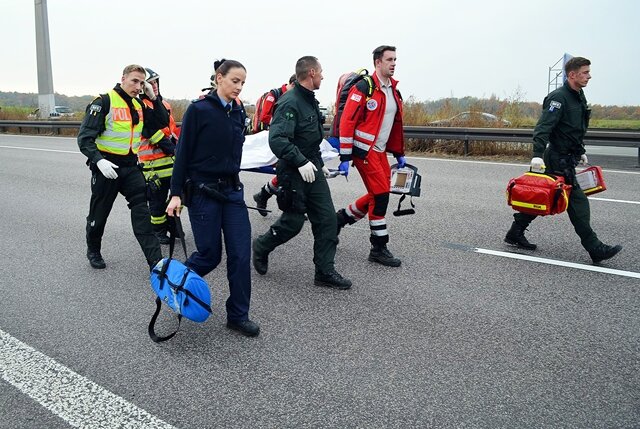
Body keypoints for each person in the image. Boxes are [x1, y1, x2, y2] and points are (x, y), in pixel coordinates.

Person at [165, 59, 259, 337]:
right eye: (235, 81)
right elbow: (182, 154)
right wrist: (176, 193)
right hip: (204, 192)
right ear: (219, 78)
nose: (239, 87)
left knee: (241, 255)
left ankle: (238, 315)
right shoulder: (199, 109)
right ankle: (173, 283)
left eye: (243, 83)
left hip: (231, 192)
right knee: (209, 255)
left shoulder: (238, 112)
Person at [504, 56, 622, 264]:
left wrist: (580, 150)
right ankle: (595, 248)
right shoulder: (558, 98)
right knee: (577, 202)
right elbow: (543, 128)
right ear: (572, 75)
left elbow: (574, 128)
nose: (589, 76)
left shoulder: (579, 96)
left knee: (546, 196)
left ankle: (515, 232)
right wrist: (537, 155)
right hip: (556, 158)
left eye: (588, 72)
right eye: (585, 72)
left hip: (568, 157)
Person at [252, 56, 352, 290]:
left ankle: (324, 271)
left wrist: (319, 164)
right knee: (294, 222)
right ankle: (262, 246)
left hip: (312, 168)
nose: (323, 76)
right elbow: (277, 140)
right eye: (321, 71)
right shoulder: (290, 102)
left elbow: (311, 140)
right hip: (293, 171)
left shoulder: (310, 101)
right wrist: (300, 161)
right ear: (310, 73)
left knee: (326, 219)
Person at [78, 64, 168, 270]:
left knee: (142, 213)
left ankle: (155, 261)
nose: (138, 86)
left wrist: (154, 98)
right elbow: (84, 139)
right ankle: (93, 250)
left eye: (141, 82)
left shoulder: (139, 104)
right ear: (123, 79)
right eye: (134, 81)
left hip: (131, 167)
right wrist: (98, 160)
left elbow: (161, 121)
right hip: (107, 167)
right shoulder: (104, 102)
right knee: (99, 214)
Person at [334, 45, 406, 267]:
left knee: (379, 193)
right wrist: (346, 156)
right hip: (363, 151)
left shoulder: (394, 90)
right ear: (377, 62)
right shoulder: (364, 87)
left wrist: (398, 153)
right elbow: (347, 121)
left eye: (395, 59)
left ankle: (340, 219)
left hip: (380, 151)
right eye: (389, 60)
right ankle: (378, 247)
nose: (393, 63)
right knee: (381, 195)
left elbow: (394, 125)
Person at [138, 67, 180, 245]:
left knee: (178, 194)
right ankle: (158, 231)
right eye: (150, 82)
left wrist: (178, 145)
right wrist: (170, 147)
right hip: (152, 162)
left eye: (155, 81)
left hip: (170, 159)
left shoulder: (164, 104)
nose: (153, 85)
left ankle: (173, 225)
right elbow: (149, 131)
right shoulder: (139, 105)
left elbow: (170, 129)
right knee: (157, 198)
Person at [252, 74, 297, 216]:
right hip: (274, 137)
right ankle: (291, 208)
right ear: (293, 85)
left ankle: (264, 194)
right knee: (287, 171)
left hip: (289, 138)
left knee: (290, 172)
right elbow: (265, 117)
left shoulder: (294, 98)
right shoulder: (274, 95)